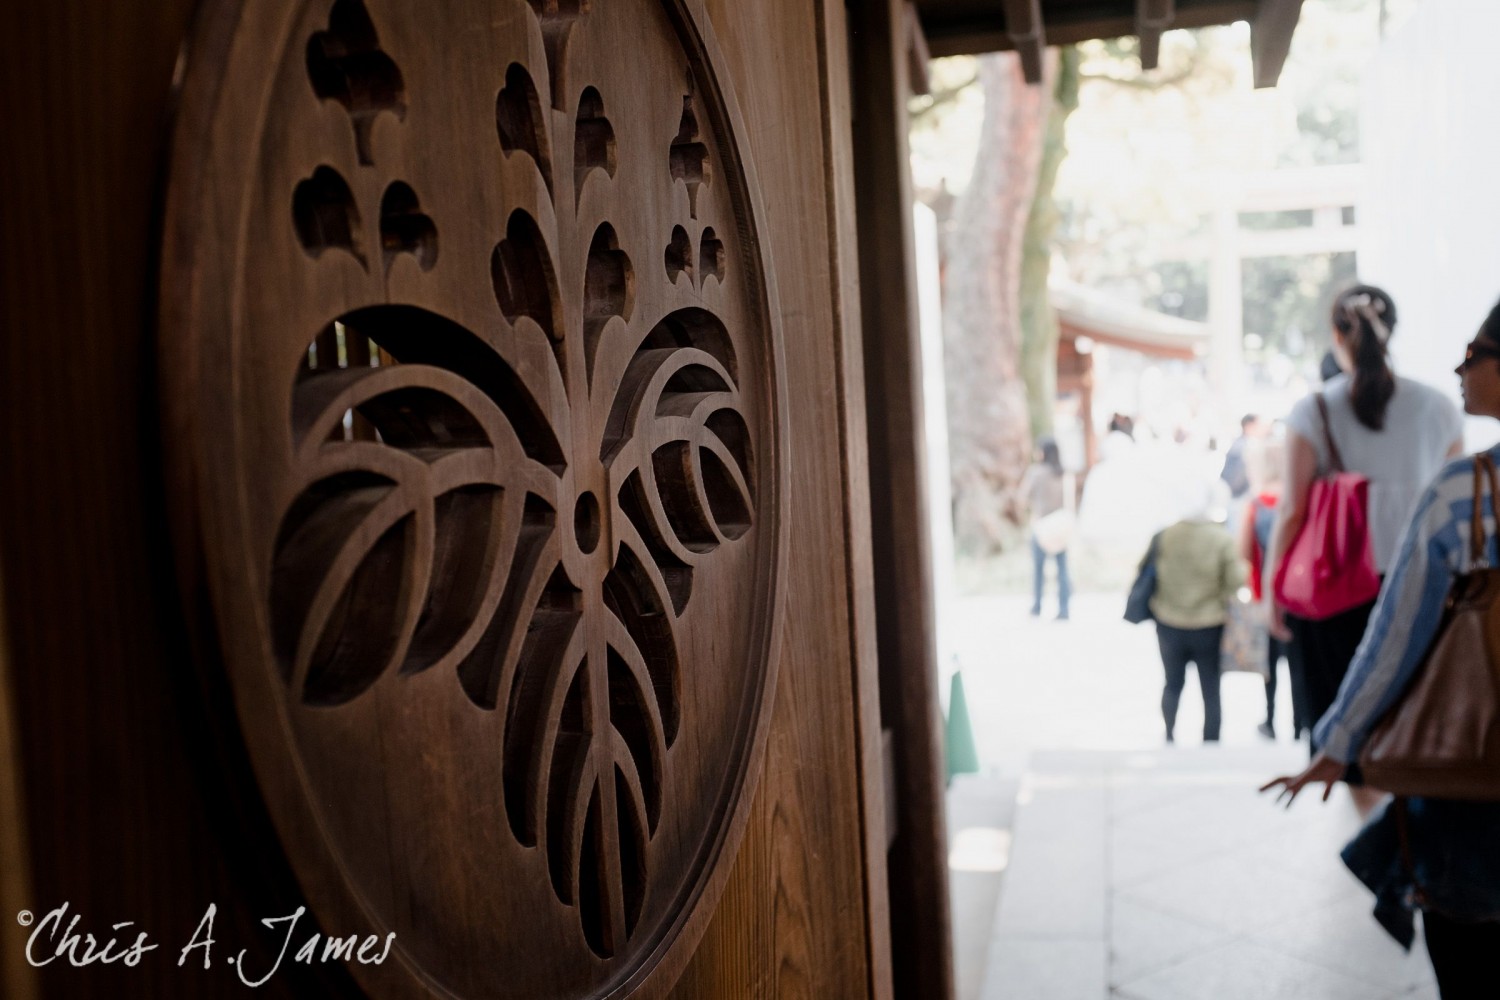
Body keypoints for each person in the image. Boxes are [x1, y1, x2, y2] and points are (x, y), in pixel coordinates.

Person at [1264, 299, 1500, 999]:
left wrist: (1338, 743)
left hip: (1477, 771)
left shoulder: (1467, 495)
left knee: (1471, 946)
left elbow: (1398, 641)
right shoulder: (1437, 417)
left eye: (1476, 351)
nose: (1462, 368)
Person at [1265, 285, 1463, 767]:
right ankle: (1396, 833)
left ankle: (1361, 823)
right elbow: (1450, 504)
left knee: (1341, 737)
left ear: (1337, 335)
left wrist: (1273, 591)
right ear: (1392, 330)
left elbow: (1292, 509)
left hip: (1332, 587)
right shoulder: (1440, 407)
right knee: (1408, 727)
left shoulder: (1312, 411)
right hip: (1421, 586)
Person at [1144, 479, 1245, 743]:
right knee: (1211, 686)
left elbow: (1145, 573)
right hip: (1209, 623)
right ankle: (1211, 739)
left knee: (1172, 682)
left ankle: (1169, 734)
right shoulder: (1221, 538)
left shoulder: (1165, 535)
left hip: (1168, 621)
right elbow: (1236, 580)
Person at [1239, 435, 1308, 740]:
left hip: (1266, 595)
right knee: (1297, 664)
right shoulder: (1302, 497)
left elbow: (1243, 553)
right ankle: (1298, 724)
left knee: (1270, 665)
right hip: (1300, 595)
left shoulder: (1255, 504)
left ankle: (1270, 719)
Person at [1020, 437, 1072, 620]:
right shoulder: (1063, 473)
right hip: (1060, 526)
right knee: (1062, 569)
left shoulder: (1036, 472)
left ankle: (1037, 606)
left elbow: (1023, 496)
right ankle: (1064, 609)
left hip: (1042, 525)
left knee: (1038, 569)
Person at [1219, 413, 1266, 501]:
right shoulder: (1246, 446)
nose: (1263, 428)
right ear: (1249, 426)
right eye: (1259, 425)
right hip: (1239, 497)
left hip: (1236, 496)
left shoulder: (1241, 443)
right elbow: (1236, 477)